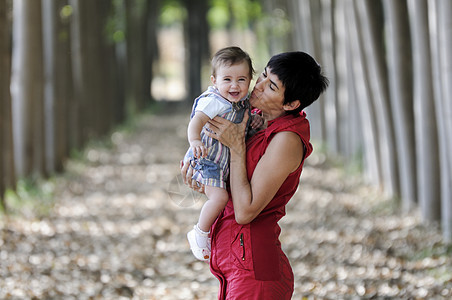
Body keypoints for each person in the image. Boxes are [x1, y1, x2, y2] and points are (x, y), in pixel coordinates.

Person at [181, 51, 328, 299]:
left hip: (254, 272)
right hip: (234, 262)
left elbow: (246, 211)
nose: (257, 87)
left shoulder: (287, 140)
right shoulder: (253, 117)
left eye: (271, 86)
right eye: (262, 75)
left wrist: (237, 145)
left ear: (291, 104)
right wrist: (205, 181)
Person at [184, 46, 264, 262]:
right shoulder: (214, 101)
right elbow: (195, 123)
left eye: (241, 79)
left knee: (222, 196)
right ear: (214, 80)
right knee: (220, 197)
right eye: (227, 79)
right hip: (207, 158)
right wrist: (195, 141)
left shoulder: (241, 103)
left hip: (221, 161)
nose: (234, 85)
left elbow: (244, 124)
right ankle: (200, 232)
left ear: (249, 81)